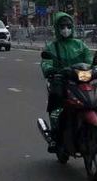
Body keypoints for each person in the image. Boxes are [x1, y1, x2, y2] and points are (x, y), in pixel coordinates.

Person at [40, 12, 94, 151]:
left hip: (80, 80)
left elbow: (90, 60)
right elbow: (46, 63)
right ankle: (55, 136)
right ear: (57, 28)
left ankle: (96, 131)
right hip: (61, 81)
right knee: (56, 103)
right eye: (62, 26)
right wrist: (51, 70)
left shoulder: (80, 45)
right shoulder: (52, 47)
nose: (66, 29)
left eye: (68, 26)